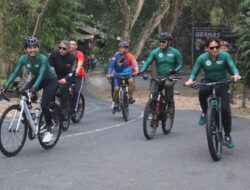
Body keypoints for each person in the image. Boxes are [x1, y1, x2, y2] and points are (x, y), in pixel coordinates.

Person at [185, 38, 241, 148]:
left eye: (217, 47)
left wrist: (236, 74)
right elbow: (194, 72)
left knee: (225, 109)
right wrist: (190, 80)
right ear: (207, 48)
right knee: (202, 90)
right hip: (209, 81)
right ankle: (205, 111)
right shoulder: (202, 58)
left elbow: (233, 67)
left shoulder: (225, 56)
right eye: (212, 48)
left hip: (222, 82)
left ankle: (228, 136)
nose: (215, 49)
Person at [0, 37, 58, 143]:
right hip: (38, 79)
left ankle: (49, 129)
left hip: (50, 80)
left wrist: (34, 88)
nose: (33, 50)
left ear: (38, 48)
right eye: (30, 48)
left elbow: (41, 74)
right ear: (25, 50)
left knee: (44, 105)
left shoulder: (43, 58)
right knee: (24, 93)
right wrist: (6, 86)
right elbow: (15, 72)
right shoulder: (23, 59)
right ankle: (33, 114)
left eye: (35, 47)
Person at [140, 32, 183, 113]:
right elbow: (148, 61)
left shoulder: (175, 52)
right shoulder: (155, 52)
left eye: (163, 42)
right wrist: (142, 70)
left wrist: (175, 70)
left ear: (168, 42)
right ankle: (153, 112)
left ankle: (170, 104)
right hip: (160, 76)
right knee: (153, 91)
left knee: (168, 85)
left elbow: (181, 64)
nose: (161, 43)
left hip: (171, 76)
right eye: (160, 41)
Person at [106, 41, 139, 114]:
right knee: (116, 89)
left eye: (123, 48)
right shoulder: (116, 56)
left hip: (128, 74)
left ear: (126, 49)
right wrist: (109, 73)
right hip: (117, 75)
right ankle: (116, 104)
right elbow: (111, 65)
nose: (121, 49)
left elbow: (135, 64)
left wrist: (136, 71)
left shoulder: (130, 56)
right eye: (120, 48)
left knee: (131, 81)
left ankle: (130, 97)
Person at [48, 40, 75, 111]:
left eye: (64, 49)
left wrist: (65, 79)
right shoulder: (54, 54)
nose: (61, 50)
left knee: (62, 88)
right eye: (60, 48)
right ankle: (52, 109)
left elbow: (72, 71)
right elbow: (48, 65)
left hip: (67, 76)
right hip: (55, 75)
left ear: (68, 49)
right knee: (51, 89)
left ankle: (63, 110)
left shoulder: (72, 57)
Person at [69, 40, 85, 117]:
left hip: (79, 76)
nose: (71, 45)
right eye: (70, 44)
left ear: (76, 46)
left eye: (73, 44)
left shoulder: (79, 54)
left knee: (76, 91)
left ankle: (75, 110)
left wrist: (76, 72)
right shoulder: (66, 53)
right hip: (68, 75)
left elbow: (80, 64)